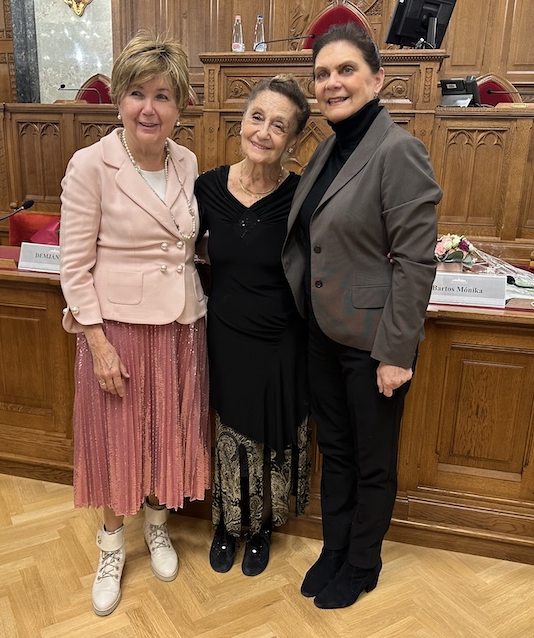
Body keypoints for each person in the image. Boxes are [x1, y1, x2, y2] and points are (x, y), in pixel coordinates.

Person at [282, 23, 442, 609]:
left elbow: (416, 262)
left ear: (377, 80)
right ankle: (334, 549)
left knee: (372, 462)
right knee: (337, 452)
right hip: (323, 333)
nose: (332, 83)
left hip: (374, 342)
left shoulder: (399, 150)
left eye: (346, 70)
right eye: (322, 74)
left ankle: (362, 562)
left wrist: (397, 353)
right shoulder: (327, 148)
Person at [59, 33, 209, 617]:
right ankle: (111, 546)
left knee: (166, 430)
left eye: (163, 96)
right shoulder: (91, 164)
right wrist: (97, 344)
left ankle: (157, 525)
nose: (150, 108)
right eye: (138, 93)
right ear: (120, 99)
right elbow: (74, 266)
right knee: (117, 440)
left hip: (181, 324)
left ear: (179, 106)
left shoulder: (186, 161)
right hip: (117, 329)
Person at [195, 75, 312, 577]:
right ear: (241, 121)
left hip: (281, 336)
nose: (263, 132)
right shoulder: (207, 188)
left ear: (293, 140)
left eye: (279, 126)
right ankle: (226, 525)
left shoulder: (301, 196)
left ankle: (262, 527)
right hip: (224, 331)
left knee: (270, 432)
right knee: (229, 432)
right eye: (257, 117)